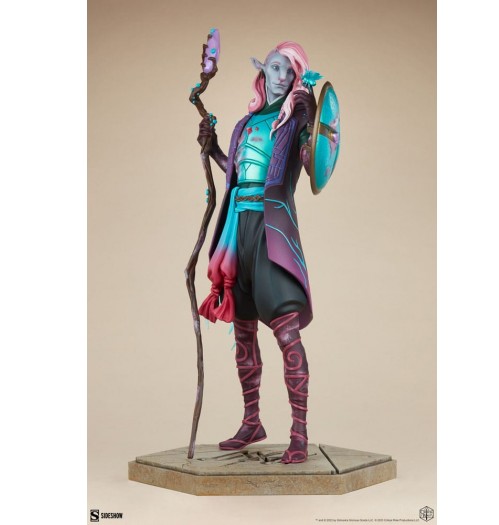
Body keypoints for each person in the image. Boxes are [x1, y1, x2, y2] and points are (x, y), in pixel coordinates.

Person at [197, 41, 318, 464]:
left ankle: (299, 433)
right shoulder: (247, 122)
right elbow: (238, 171)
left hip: (272, 230)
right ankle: (252, 421)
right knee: (243, 328)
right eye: (275, 68)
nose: (282, 77)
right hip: (238, 230)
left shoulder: (295, 119)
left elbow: (312, 162)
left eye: (290, 71)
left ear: (297, 76)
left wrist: (310, 120)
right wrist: (213, 148)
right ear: (262, 71)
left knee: (286, 331)